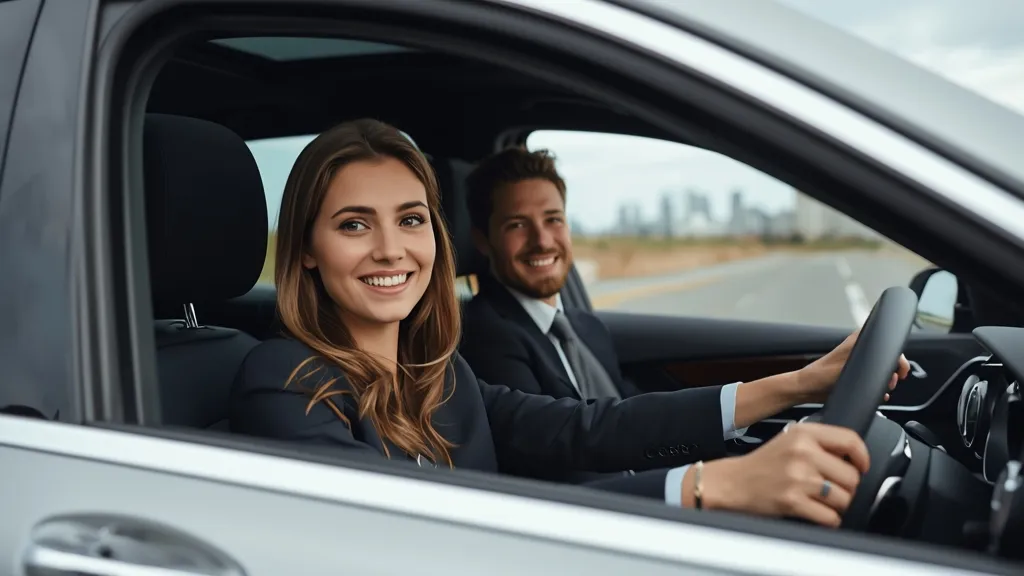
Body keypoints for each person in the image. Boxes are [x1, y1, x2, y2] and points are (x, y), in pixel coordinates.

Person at [229, 118, 909, 528]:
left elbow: (585, 430)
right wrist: (713, 488)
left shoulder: (439, 374)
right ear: (308, 252)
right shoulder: (283, 380)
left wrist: (798, 384)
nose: (389, 249)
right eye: (354, 225)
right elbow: (415, 537)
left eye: (410, 219)